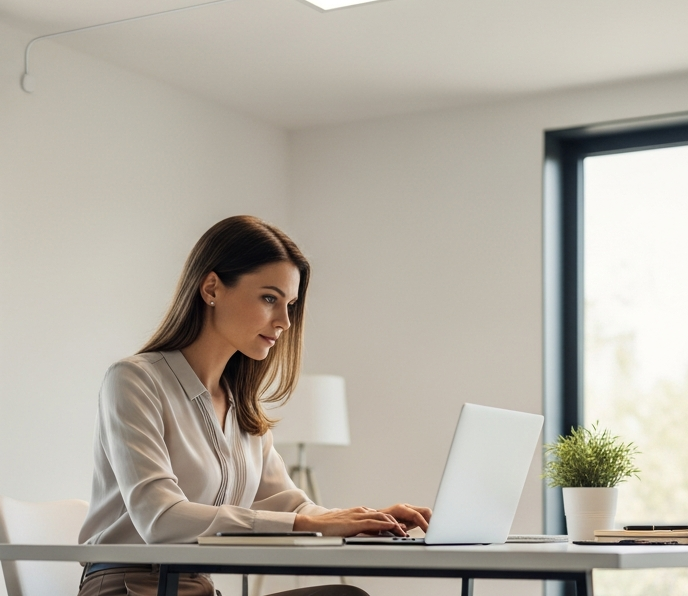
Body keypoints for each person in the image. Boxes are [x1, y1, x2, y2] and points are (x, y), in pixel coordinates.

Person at [78, 215, 430, 596]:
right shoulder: (134, 381)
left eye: (290, 304)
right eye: (269, 298)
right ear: (212, 288)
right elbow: (160, 518)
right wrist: (308, 524)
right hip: (129, 586)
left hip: (199, 587)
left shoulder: (241, 408)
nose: (285, 322)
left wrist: (366, 520)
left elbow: (292, 507)